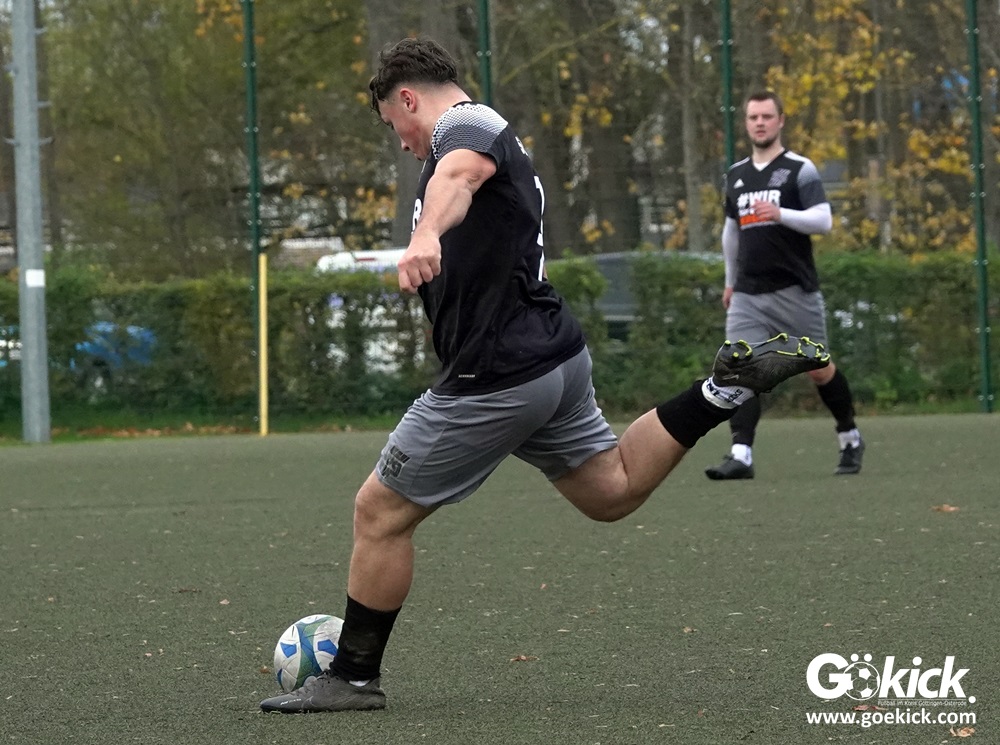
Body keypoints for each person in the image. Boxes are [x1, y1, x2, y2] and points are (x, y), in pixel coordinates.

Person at [259, 39, 828, 714]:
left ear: (407, 98)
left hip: (496, 373)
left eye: (394, 126)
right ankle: (720, 392)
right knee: (611, 488)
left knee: (378, 512)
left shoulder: (466, 126)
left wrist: (425, 234)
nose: (404, 144)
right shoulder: (478, 134)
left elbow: (457, 178)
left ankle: (352, 677)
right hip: (553, 360)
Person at [704, 90, 865, 481]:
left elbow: (823, 221)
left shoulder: (799, 169)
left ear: (780, 121)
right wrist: (730, 282)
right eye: (753, 117)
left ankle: (849, 435)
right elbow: (731, 232)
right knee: (739, 368)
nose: (759, 123)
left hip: (795, 290)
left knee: (818, 369)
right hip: (747, 292)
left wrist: (780, 213)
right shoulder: (736, 175)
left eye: (766, 116)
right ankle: (741, 455)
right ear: (746, 123)